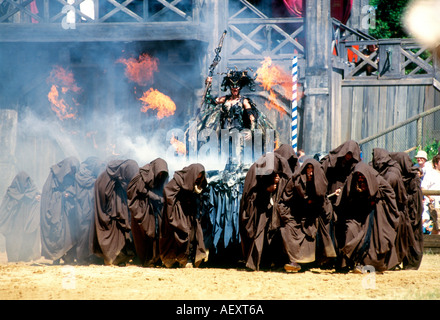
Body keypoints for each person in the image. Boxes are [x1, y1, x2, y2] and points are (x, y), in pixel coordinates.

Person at [334, 162, 400, 273]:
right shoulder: (352, 180)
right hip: (356, 215)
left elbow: (390, 194)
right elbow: (346, 193)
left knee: (369, 238)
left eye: (363, 177)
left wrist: (376, 196)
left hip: (373, 214)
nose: (360, 180)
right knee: (350, 230)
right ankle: (348, 263)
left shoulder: (378, 181)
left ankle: (364, 263)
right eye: (358, 177)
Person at [278, 158, 337, 272]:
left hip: (314, 214)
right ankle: (293, 261)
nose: (310, 171)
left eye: (312, 168)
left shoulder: (320, 181)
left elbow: (322, 198)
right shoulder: (296, 180)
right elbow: (286, 197)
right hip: (297, 213)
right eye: (308, 168)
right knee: (288, 231)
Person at [239, 152, 293, 271]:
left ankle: (272, 261)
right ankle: (256, 262)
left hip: (272, 210)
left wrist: (277, 182)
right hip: (258, 210)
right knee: (259, 234)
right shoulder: (255, 170)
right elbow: (250, 194)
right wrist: (266, 189)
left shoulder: (279, 167)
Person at [159, 163, 208, 268]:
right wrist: (173, 211)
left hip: (190, 212)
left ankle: (187, 259)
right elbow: (168, 193)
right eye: (198, 174)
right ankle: (172, 260)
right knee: (179, 234)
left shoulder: (197, 180)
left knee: (193, 235)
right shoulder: (178, 179)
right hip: (178, 212)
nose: (198, 177)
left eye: (201, 175)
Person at [91, 159, 139, 266]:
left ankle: (118, 257)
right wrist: (115, 208)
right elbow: (104, 198)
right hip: (108, 214)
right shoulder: (105, 179)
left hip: (116, 212)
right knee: (112, 234)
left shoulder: (119, 178)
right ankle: (111, 258)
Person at [127, 158, 169, 267]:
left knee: (158, 233)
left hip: (155, 209)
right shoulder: (142, 175)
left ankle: (157, 258)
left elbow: (163, 190)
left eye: (162, 174)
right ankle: (147, 259)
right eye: (159, 172)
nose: (160, 175)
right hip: (141, 210)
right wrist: (155, 197)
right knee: (146, 234)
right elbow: (139, 191)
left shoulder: (161, 177)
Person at [371, 148, 408, 267]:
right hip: (384, 209)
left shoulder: (391, 175)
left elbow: (400, 195)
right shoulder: (380, 171)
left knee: (387, 236)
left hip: (389, 210)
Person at [40, 156, 80, 264]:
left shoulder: (72, 176)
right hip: (56, 210)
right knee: (57, 234)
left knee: (69, 235)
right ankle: (56, 258)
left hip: (68, 211)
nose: (73, 172)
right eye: (71, 169)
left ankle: (69, 258)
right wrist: (61, 196)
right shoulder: (55, 174)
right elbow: (48, 195)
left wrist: (70, 194)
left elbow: (74, 188)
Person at [390, 151, 424, 269]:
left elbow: (414, 198)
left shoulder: (413, 177)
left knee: (413, 239)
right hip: (404, 213)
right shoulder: (400, 176)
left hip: (412, 212)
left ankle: (411, 264)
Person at [0, 172, 41, 262]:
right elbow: (5, 208)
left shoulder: (32, 191)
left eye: (27, 182)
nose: (25, 184)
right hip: (14, 223)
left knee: (27, 238)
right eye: (23, 182)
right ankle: (13, 258)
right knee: (14, 240)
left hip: (27, 221)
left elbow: (37, 199)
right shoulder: (11, 192)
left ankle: (26, 257)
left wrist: (37, 198)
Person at [74, 156, 106, 265]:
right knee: (85, 232)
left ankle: (91, 256)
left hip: (90, 208)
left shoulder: (88, 175)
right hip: (84, 209)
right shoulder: (83, 176)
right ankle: (82, 258)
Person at [421, 154, 440, 235]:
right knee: (438, 227)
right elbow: (423, 188)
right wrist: (430, 197)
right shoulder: (430, 174)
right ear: (436, 163)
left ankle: (431, 246)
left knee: (436, 229)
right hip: (433, 205)